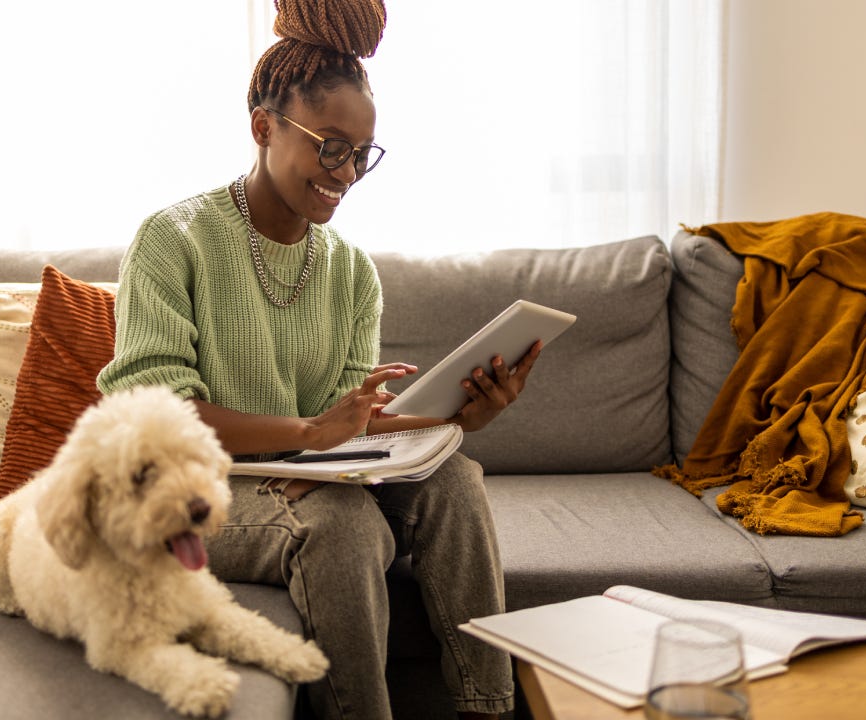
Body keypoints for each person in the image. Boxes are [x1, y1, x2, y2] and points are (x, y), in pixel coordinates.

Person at [98, 2, 542, 717]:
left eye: (362, 153)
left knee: (456, 478)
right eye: (331, 146)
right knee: (341, 524)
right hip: (191, 492)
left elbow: (347, 422)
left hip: (300, 473)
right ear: (264, 127)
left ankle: (487, 708)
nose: (348, 172)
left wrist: (463, 414)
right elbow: (156, 421)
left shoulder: (351, 271)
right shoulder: (174, 239)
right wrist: (304, 439)